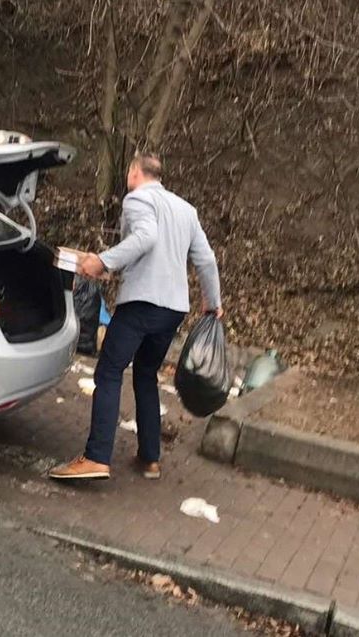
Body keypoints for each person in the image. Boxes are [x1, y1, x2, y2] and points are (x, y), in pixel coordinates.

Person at [49, 153, 223, 481]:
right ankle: (150, 457)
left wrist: (102, 262)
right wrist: (213, 303)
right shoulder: (186, 210)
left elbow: (145, 239)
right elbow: (207, 260)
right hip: (173, 309)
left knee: (109, 370)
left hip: (142, 304)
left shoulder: (137, 198)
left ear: (134, 173)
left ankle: (96, 456)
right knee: (145, 374)